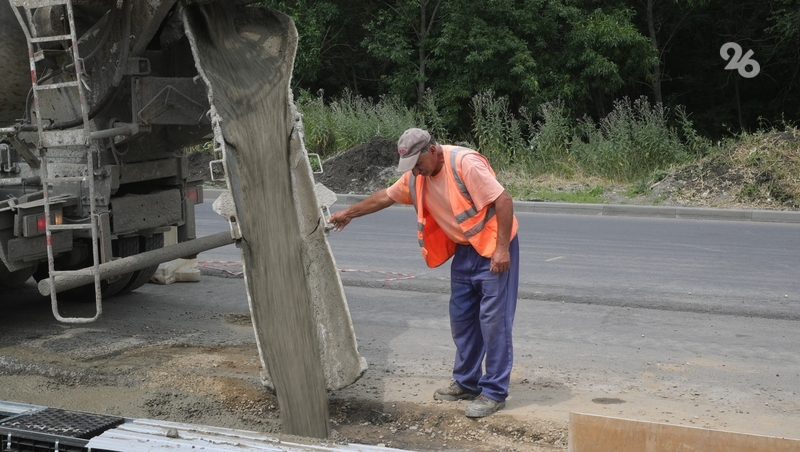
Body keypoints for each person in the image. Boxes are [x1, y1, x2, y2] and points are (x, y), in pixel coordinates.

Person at [328, 128, 520, 418]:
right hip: (465, 250)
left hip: (494, 246)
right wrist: (348, 213)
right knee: (462, 319)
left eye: (418, 164)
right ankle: (467, 383)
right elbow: (386, 196)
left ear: (432, 150)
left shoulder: (463, 163)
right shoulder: (418, 175)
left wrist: (502, 249)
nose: (416, 172)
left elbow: (503, 201)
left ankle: (493, 392)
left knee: (494, 322)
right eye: (411, 168)